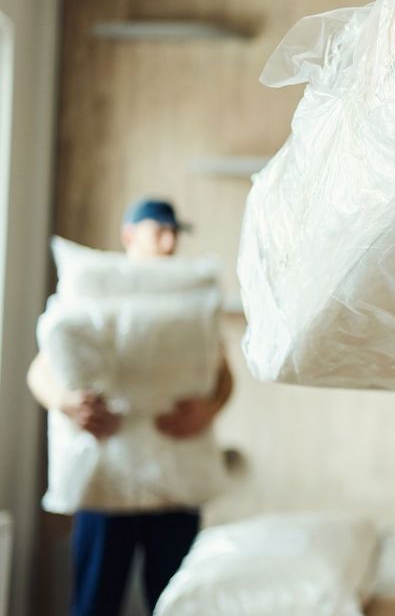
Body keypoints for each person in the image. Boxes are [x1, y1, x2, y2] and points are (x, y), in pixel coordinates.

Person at [27, 198, 234, 616]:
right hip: (108, 483)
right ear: (129, 235)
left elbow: (224, 372)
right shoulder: (94, 290)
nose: (170, 240)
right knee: (95, 603)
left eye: (174, 232)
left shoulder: (189, 305)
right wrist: (66, 404)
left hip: (174, 484)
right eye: (159, 229)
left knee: (175, 604)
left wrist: (209, 409)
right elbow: (40, 371)